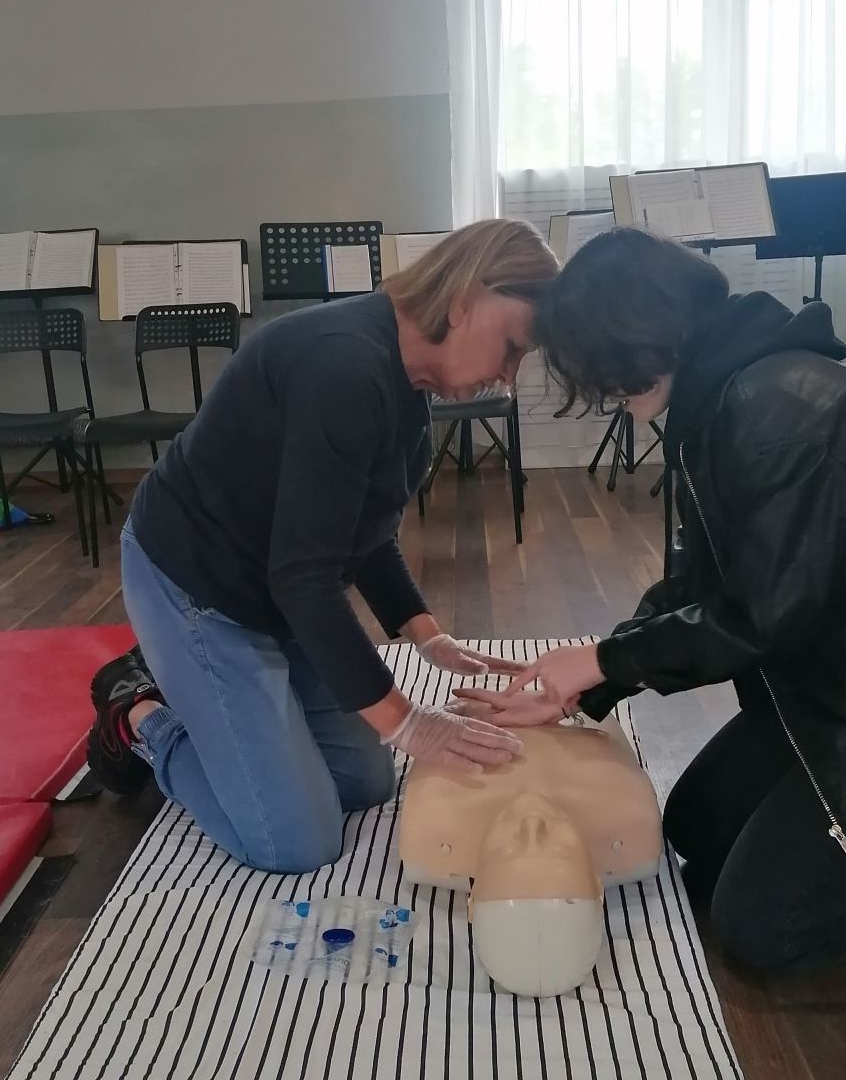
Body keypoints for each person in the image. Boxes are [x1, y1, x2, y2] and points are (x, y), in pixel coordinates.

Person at [458, 226, 846, 974]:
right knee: (696, 825)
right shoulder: (729, 396)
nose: (612, 397)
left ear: (645, 331)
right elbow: (708, 586)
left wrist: (603, 661)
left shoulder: (779, 410)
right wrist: (592, 675)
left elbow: (764, 618)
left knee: (767, 929)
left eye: (606, 372)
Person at [83, 219, 560, 873]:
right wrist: (407, 721)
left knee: (366, 782)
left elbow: (361, 531)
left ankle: (212, 707)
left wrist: (427, 636)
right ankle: (137, 713)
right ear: (465, 298)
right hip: (199, 588)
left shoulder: (406, 385)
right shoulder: (343, 365)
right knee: (296, 843)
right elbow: (305, 578)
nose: (508, 377)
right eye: (512, 347)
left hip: (275, 588)